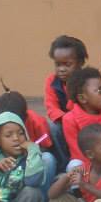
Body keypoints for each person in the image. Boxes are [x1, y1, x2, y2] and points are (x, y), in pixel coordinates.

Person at [0, 89, 57, 202]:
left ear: (25, 117)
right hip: (9, 162)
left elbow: (47, 146)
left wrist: (31, 149)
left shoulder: (36, 121)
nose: (15, 137)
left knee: (48, 159)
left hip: (32, 162)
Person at [61, 67, 101, 168]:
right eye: (99, 91)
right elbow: (78, 152)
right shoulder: (69, 119)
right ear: (82, 98)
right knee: (74, 165)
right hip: (84, 166)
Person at [43, 34, 88, 169]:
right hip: (64, 124)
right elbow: (51, 108)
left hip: (85, 124)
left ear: (80, 63)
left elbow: (88, 106)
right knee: (52, 128)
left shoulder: (88, 80)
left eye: (67, 64)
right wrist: (67, 120)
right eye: (58, 64)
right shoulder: (51, 81)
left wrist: (71, 87)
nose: (61, 69)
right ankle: (64, 165)